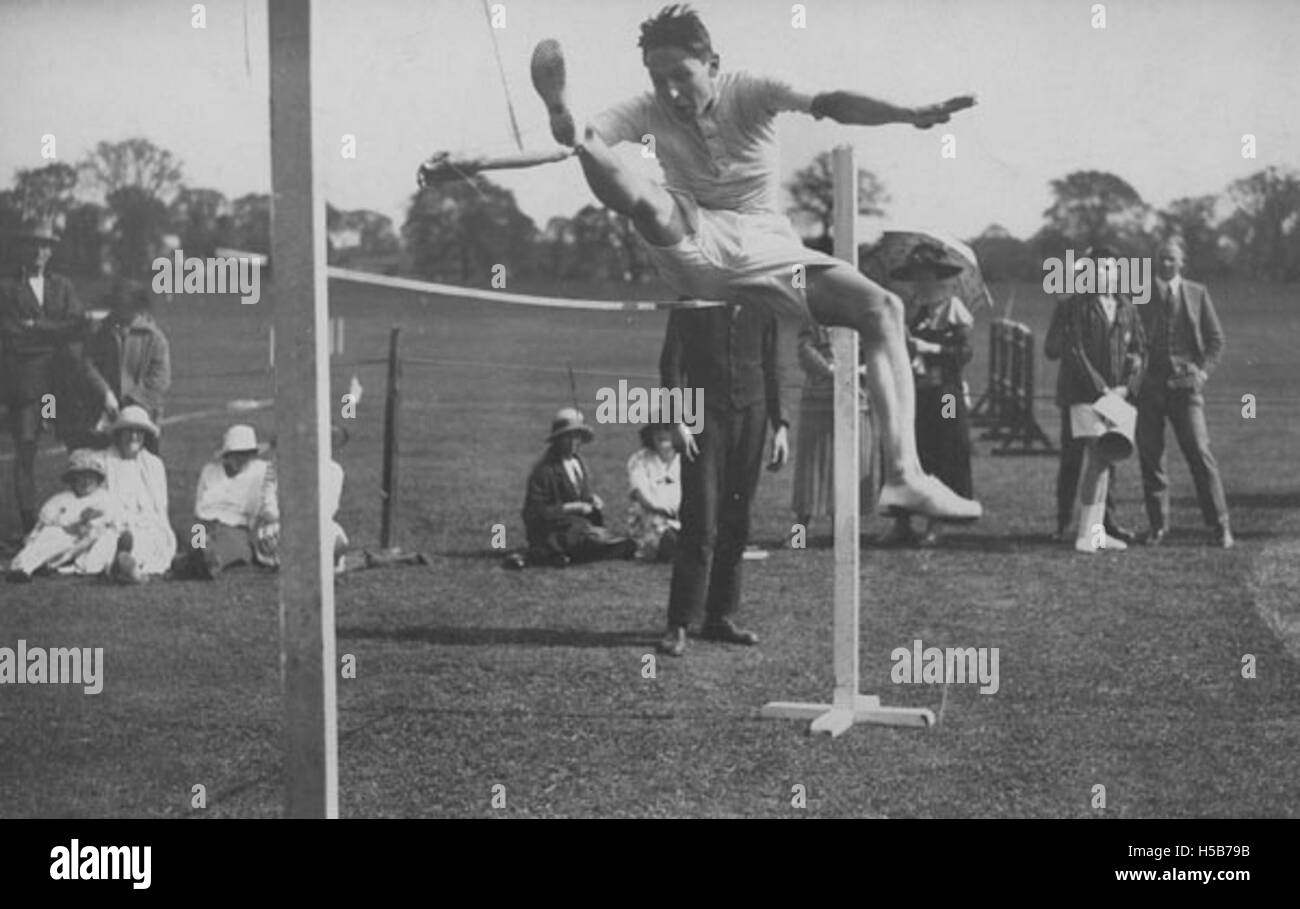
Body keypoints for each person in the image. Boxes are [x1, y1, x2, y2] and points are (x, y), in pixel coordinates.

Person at [529, 5, 981, 526]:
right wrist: (503, 150)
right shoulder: (644, 108)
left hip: (767, 245)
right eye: (658, 79)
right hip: (696, 239)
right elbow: (553, 150)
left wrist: (906, 113)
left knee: (882, 308)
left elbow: (832, 102)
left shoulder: (753, 89)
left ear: (713, 64)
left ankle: (903, 475)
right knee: (643, 194)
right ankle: (573, 123)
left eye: (682, 76)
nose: (671, 91)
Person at [656, 299, 787, 657]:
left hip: (752, 416)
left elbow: (772, 368)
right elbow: (671, 363)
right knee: (700, 519)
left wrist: (781, 425)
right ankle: (680, 623)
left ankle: (720, 616)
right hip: (703, 415)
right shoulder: (692, 301)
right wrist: (677, 419)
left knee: (737, 520)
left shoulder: (763, 303)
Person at [1135, 238, 1232, 548]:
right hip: (1148, 389)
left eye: (1171, 259)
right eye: (1161, 259)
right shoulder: (1141, 294)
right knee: (1151, 460)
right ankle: (1158, 526)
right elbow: (1128, 338)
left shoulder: (1197, 293)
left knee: (1201, 456)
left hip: (1185, 389)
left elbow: (1216, 340)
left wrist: (1201, 372)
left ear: (1182, 262)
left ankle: (1219, 526)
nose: (1165, 264)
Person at [880, 245, 974, 547]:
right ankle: (902, 520)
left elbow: (963, 353)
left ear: (940, 278)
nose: (922, 282)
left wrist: (931, 349)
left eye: (927, 276)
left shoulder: (954, 309)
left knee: (943, 446)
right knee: (907, 448)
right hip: (913, 392)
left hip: (945, 393)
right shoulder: (910, 309)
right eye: (916, 276)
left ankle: (937, 522)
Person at [1056, 247, 1146, 554]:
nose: (1105, 274)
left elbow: (1141, 352)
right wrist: (1101, 389)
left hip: (1116, 396)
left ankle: (1096, 533)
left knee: (1106, 460)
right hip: (1084, 395)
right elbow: (1074, 352)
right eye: (1099, 269)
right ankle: (1086, 533)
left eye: (1110, 268)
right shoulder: (1076, 307)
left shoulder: (1127, 307)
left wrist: (1126, 387)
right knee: (1097, 458)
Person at [0, 219, 86, 535]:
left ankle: (84, 514)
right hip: (26, 386)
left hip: (59, 384)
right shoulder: (7, 289)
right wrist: (55, 331)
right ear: (22, 248)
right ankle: (27, 524)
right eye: (34, 244)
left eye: (45, 245)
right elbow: (11, 333)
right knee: (26, 449)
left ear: (51, 251)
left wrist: (37, 327)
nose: (39, 251)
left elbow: (78, 323)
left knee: (76, 444)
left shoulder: (62, 285)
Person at [1045, 292, 1134, 544]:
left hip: (1111, 394)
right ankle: (1064, 524)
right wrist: (1068, 333)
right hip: (1077, 392)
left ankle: (1104, 525)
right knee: (1072, 461)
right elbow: (1051, 349)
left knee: (1107, 458)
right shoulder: (1069, 306)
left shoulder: (1122, 305)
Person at [790, 321, 878, 543]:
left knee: (852, 465)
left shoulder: (860, 313)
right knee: (812, 468)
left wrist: (860, 369)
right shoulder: (813, 315)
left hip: (856, 398)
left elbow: (877, 350)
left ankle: (841, 530)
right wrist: (832, 370)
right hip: (819, 401)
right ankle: (799, 531)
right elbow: (804, 350)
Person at [520, 407, 637, 567]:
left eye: (577, 436)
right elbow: (534, 513)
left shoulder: (578, 463)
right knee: (591, 538)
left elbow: (582, 495)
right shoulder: (544, 470)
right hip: (553, 530)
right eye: (568, 436)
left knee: (609, 538)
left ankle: (568, 553)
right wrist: (570, 508)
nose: (574, 441)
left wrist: (592, 499)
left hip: (579, 526)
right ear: (557, 439)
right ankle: (549, 552)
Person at [76, 277, 171, 454]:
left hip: (143, 416)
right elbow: (88, 365)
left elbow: (160, 378)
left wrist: (128, 403)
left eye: (126, 307)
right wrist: (105, 393)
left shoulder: (155, 338)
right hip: (104, 412)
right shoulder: (99, 332)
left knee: (144, 466)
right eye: (117, 306)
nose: (121, 312)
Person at [6, 449, 121, 582]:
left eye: (90, 476)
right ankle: (23, 568)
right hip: (66, 537)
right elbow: (44, 524)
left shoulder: (103, 498)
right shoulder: (61, 499)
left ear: (97, 479)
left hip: (88, 540)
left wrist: (90, 526)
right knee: (52, 535)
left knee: (107, 539)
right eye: (81, 477)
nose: (86, 481)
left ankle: (107, 569)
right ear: (72, 480)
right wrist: (34, 537)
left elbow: (107, 520)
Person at [250, 425, 350, 572]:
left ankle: (320, 555)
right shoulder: (279, 465)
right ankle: (314, 557)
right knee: (275, 537)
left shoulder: (334, 470)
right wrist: (285, 518)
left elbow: (330, 508)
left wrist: (307, 520)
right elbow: (268, 503)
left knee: (332, 533)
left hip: (316, 524)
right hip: (281, 523)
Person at [180, 424, 273, 578]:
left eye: (246, 454)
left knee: (233, 546)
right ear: (227, 454)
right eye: (236, 454)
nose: (241, 459)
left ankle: (207, 560)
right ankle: (198, 557)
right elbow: (199, 508)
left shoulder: (261, 471)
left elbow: (267, 503)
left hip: (235, 527)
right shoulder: (210, 471)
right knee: (194, 532)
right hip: (205, 523)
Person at [100, 405, 177, 582]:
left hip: (147, 523)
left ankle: (126, 566)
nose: (134, 436)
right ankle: (123, 566)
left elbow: (160, 508)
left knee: (150, 540)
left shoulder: (154, 465)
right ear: (119, 434)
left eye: (139, 432)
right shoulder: (105, 462)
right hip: (115, 523)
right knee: (107, 541)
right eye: (129, 431)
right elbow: (102, 504)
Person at [626, 422, 682, 561]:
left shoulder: (686, 459)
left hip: (680, 518)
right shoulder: (640, 459)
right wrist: (666, 509)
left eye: (668, 429)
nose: (662, 434)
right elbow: (642, 495)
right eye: (657, 429)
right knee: (667, 538)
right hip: (650, 520)